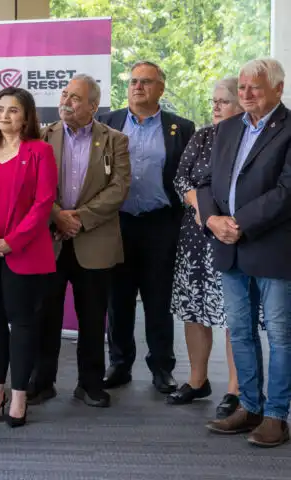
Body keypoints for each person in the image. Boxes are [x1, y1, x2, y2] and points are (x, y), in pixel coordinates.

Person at [199, 58, 291, 448]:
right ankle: (250, 406)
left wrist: (238, 222)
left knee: (281, 335)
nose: (246, 94)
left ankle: (276, 416)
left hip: (271, 248)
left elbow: (287, 191)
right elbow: (205, 182)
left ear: (277, 89)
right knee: (239, 330)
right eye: (242, 87)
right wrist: (213, 221)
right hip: (228, 246)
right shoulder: (228, 128)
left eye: (255, 87)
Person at [167, 77, 263, 418]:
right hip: (197, 239)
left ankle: (236, 390)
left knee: (234, 316)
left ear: (241, 106)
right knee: (195, 312)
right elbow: (182, 180)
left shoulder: (254, 139)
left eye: (223, 101)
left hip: (236, 236)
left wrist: (225, 220)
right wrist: (201, 208)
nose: (215, 107)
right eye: (214, 101)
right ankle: (197, 381)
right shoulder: (203, 136)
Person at [97, 61, 195, 394]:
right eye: (134, 81)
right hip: (117, 223)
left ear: (161, 89)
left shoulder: (180, 127)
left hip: (159, 224)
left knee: (158, 298)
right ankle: (120, 363)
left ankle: (162, 367)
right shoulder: (107, 123)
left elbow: (187, 177)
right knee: (118, 298)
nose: (138, 87)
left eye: (147, 82)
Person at [34, 74, 131, 408]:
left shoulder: (115, 140)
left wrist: (79, 219)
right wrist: (58, 215)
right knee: (46, 314)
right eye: (64, 95)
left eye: (75, 98)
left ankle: (90, 384)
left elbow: (119, 188)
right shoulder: (43, 136)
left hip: (95, 240)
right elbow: (34, 186)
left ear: (93, 105)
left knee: (92, 317)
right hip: (51, 239)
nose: (66, 102)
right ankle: (41, 382)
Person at [0, 87, 57, 427]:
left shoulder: (39, 151)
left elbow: (43, 203)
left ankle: (19, 395)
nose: (5, 115)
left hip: (23, 253)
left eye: (13, 110)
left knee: (21, 324)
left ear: (27, 117)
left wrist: (11, 242)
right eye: (0, 109)